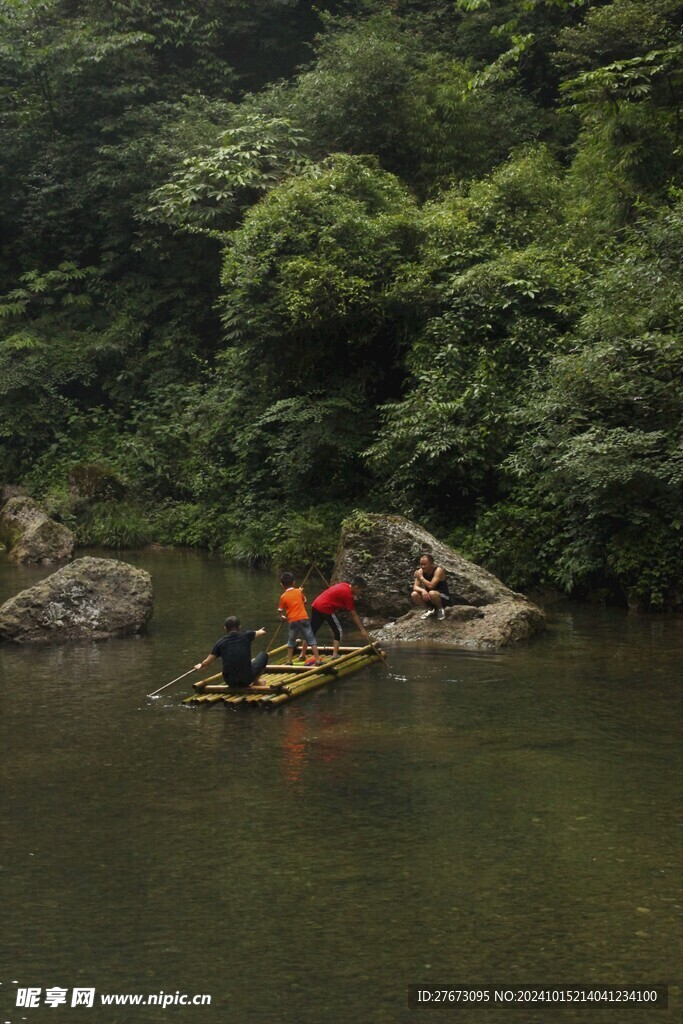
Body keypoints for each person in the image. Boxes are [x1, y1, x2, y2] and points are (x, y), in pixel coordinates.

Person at [194, 616, 268, 687]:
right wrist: (260, 631)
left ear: (225, 629)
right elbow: (262, 633)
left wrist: (200, 665)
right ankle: (256, 682)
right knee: (263, 655)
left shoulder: (220, 643)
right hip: (246, 680)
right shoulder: (247, 635)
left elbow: (207, 662)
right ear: (240, 627)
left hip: (229, 681)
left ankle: (251, 681)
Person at [310, 577, 370, 657]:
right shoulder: (348, 595)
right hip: (326, 607)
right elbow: (354, 614)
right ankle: (335, 655)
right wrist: (362, 630)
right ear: (356, 587)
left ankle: (302, 654)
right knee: (338, 631)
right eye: (360, 590)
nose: (360, 592)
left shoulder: (343, 585)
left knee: (311, 631)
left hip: (316, 604)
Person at [278, 571, 322, 665]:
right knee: (311, 640)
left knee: (291, 641)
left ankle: (289, 661)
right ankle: (318, 660)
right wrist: (300, 592)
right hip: (303, 618)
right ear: (294, 582)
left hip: (292, 621)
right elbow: (305, 600)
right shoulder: (298, 591)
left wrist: (281, 616)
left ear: (282, 585)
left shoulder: (283, 596)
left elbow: (280, 610)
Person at [411, 553, 450, 620]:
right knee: (414, 594)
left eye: (425, 564)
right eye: (421, 564)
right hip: (429, 596)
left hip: (442, 597)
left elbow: (431, 585)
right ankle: (430, 609)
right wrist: (423, 590)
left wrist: (421, 577)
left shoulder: (438, 570)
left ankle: (440, 609)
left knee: (432, 593)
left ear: (432, 564)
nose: (422, 566)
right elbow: (415, 587)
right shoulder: (421, 571)